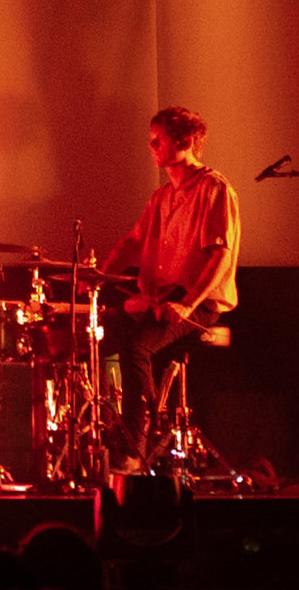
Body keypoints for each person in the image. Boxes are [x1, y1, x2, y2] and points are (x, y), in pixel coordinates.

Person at [99, 105, 241, 472]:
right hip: (161, 299)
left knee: (136, 348)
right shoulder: (162, 197)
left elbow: (219, 257)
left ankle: (136, 442)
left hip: (199, 303)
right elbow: (132, 242)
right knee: (96, 337)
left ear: (185, 141)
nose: (152, 147)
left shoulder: (214, 189)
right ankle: (104, 437)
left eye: (158, 140)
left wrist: (188, 304)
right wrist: (97, 279)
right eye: (151, 141)